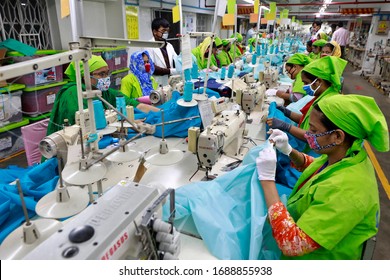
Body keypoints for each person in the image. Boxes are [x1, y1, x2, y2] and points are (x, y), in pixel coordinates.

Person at [256, 94, 389, 259]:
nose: (307, 134)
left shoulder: (347, 191)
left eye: (313, 130)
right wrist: (289, 151)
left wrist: (267, 179)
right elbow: (321, 168)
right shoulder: (349, 157)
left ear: (338, 137)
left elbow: (292, 243)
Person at [47, 55, 158, 135]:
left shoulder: (104, 91)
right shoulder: (73, 93)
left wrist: (162, 113)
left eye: (107, 73)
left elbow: (133, 104)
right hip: (73, 144)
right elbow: (89, 123)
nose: (106, 77)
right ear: (84, 75)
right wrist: (131, 123)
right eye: (101, 74)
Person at [266, 56, 347, 142]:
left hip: (314, 152)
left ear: (318, 82)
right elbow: (308, 121)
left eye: (306, 83)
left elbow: (315, 137)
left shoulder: (327, 103)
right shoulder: (322, 96)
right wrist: (287, 112)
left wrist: (286, 126)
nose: (304, 87)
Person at [146, 18, 178, 86]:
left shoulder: (169, 46)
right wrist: (170, 71)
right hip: (157, 83)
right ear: (155, 31)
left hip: (170, 82)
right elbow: (152, 67)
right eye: (163, 30)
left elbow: (177, 60)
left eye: (167, 31)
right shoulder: (148, 46)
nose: (165, 33)